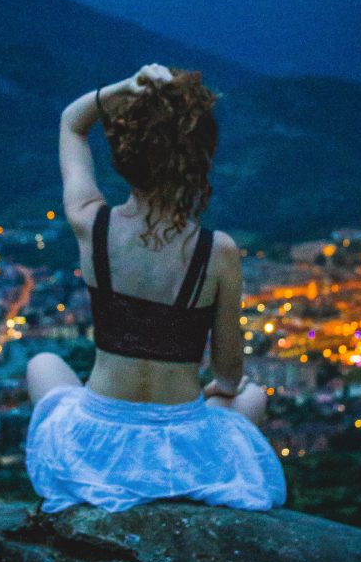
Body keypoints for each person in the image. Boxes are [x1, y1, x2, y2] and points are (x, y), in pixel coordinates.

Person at [25, 63, 287, 513]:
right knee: (252, 395)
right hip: (181, 445)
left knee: (44, 363)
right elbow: (227, 373)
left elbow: (72, 122)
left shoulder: (91, 222)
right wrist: (210, 394)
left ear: (125, 157)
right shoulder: (216, 251)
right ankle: (182, 472)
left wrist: (126, 87)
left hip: (97, 443)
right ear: (197, 161)